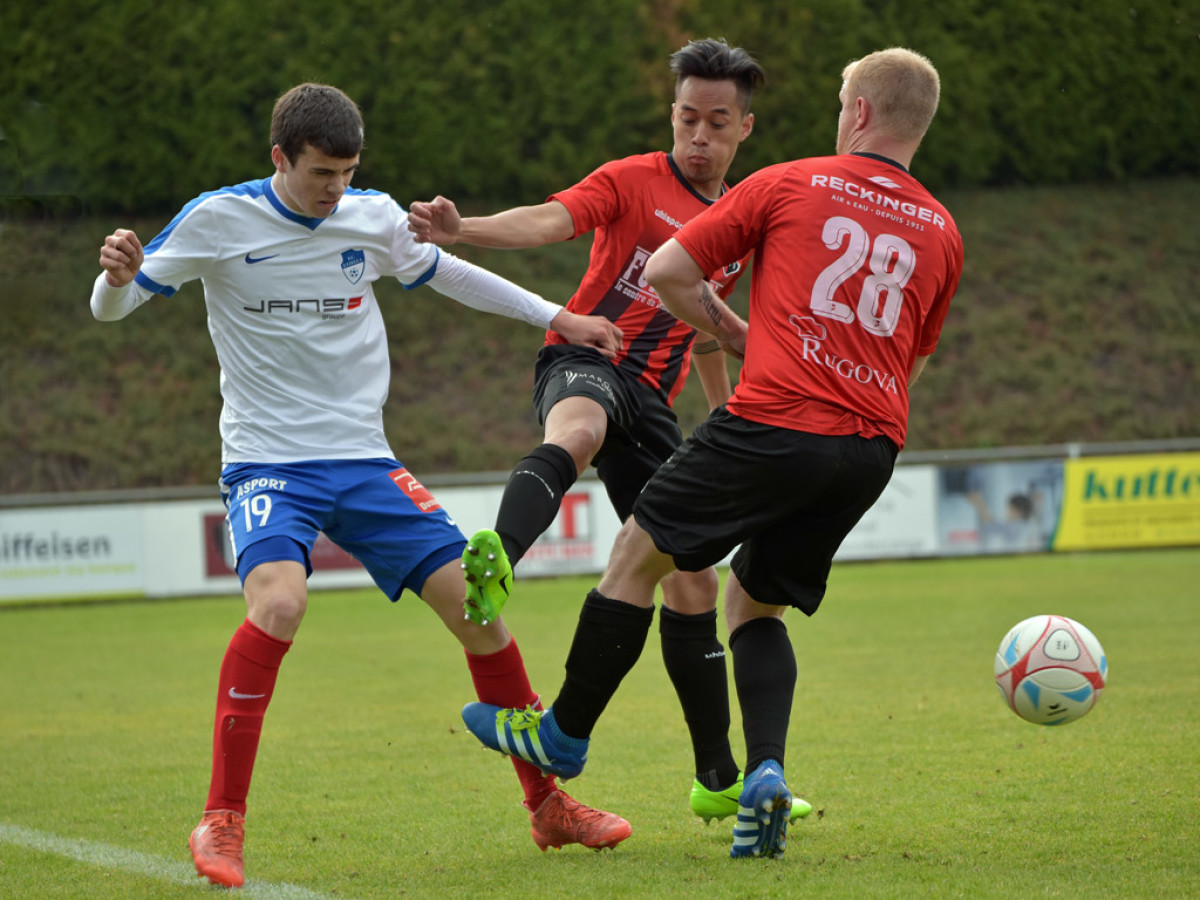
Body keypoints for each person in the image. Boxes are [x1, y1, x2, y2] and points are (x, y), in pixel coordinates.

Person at [90, 83, 631, 889]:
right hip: (269, 462)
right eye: (320, 173)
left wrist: (560, 317)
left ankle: (548, 803)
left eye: (347, 172)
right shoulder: (218, 219)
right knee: (278, 604)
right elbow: (115, 307)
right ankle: (222, 819)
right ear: (280, 158)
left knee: (478, 606)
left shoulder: (370, 216)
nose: (335, 188)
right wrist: (116, 278)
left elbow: (450, 274)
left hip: (366, 462)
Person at [460, 47, 964, 859]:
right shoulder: (943, 230)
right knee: (752, 603)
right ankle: (760, 772)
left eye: (844, 106)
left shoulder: (789, 182)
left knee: (635, 555)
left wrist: (734, 332)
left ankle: (562, 737)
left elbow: (667, 270)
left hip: (775, 420)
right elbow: (912, 358)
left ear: (860, 114)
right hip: (870, 446)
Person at [408, 37, 811, 826]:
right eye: (688, 118)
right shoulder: (631, 179)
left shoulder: (743, 217)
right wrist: (466, 228)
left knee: (692, 578)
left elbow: (701, 331)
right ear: (672, 114)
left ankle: (718, 779)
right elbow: (551, 219)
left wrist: (726, 407)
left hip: (654, 404)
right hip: (587, 350)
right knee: (582, 427)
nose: (698, 137)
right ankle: (497, 562)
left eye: (716, 123)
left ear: (745, 130)